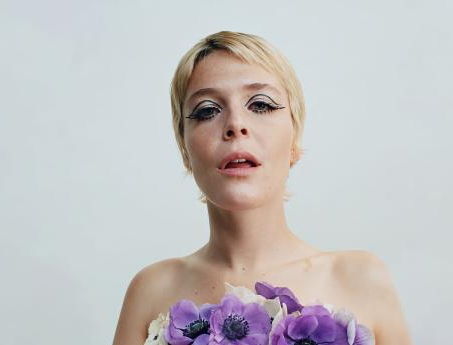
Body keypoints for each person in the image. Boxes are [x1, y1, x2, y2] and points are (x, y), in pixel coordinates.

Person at [112, 31, 413, 345]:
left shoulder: (361, 279)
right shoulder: (151, 290)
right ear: (184, 148)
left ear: (294, 140)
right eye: (207, 110)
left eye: (261, 104)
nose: (235, 125)